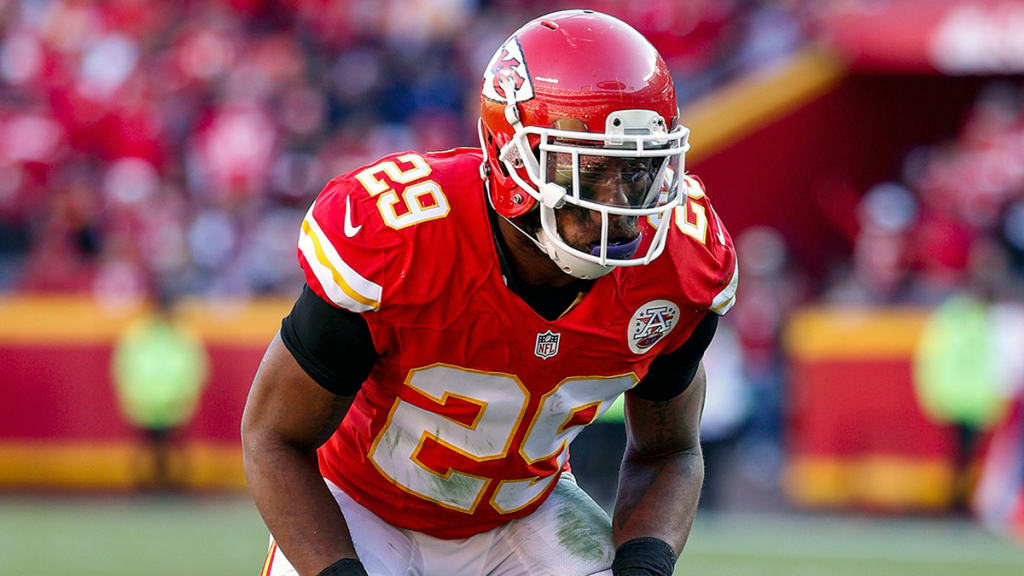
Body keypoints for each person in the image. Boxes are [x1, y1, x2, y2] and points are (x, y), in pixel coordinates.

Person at [242, 10, 737, 576]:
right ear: (512, 158)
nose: (621, 206)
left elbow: (670, 450)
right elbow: (273, 438)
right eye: (592, 170)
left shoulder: (679, 264)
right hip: (360, 507)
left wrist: (644, 566)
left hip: (524, 515)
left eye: (639, 171)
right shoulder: (405, 240)